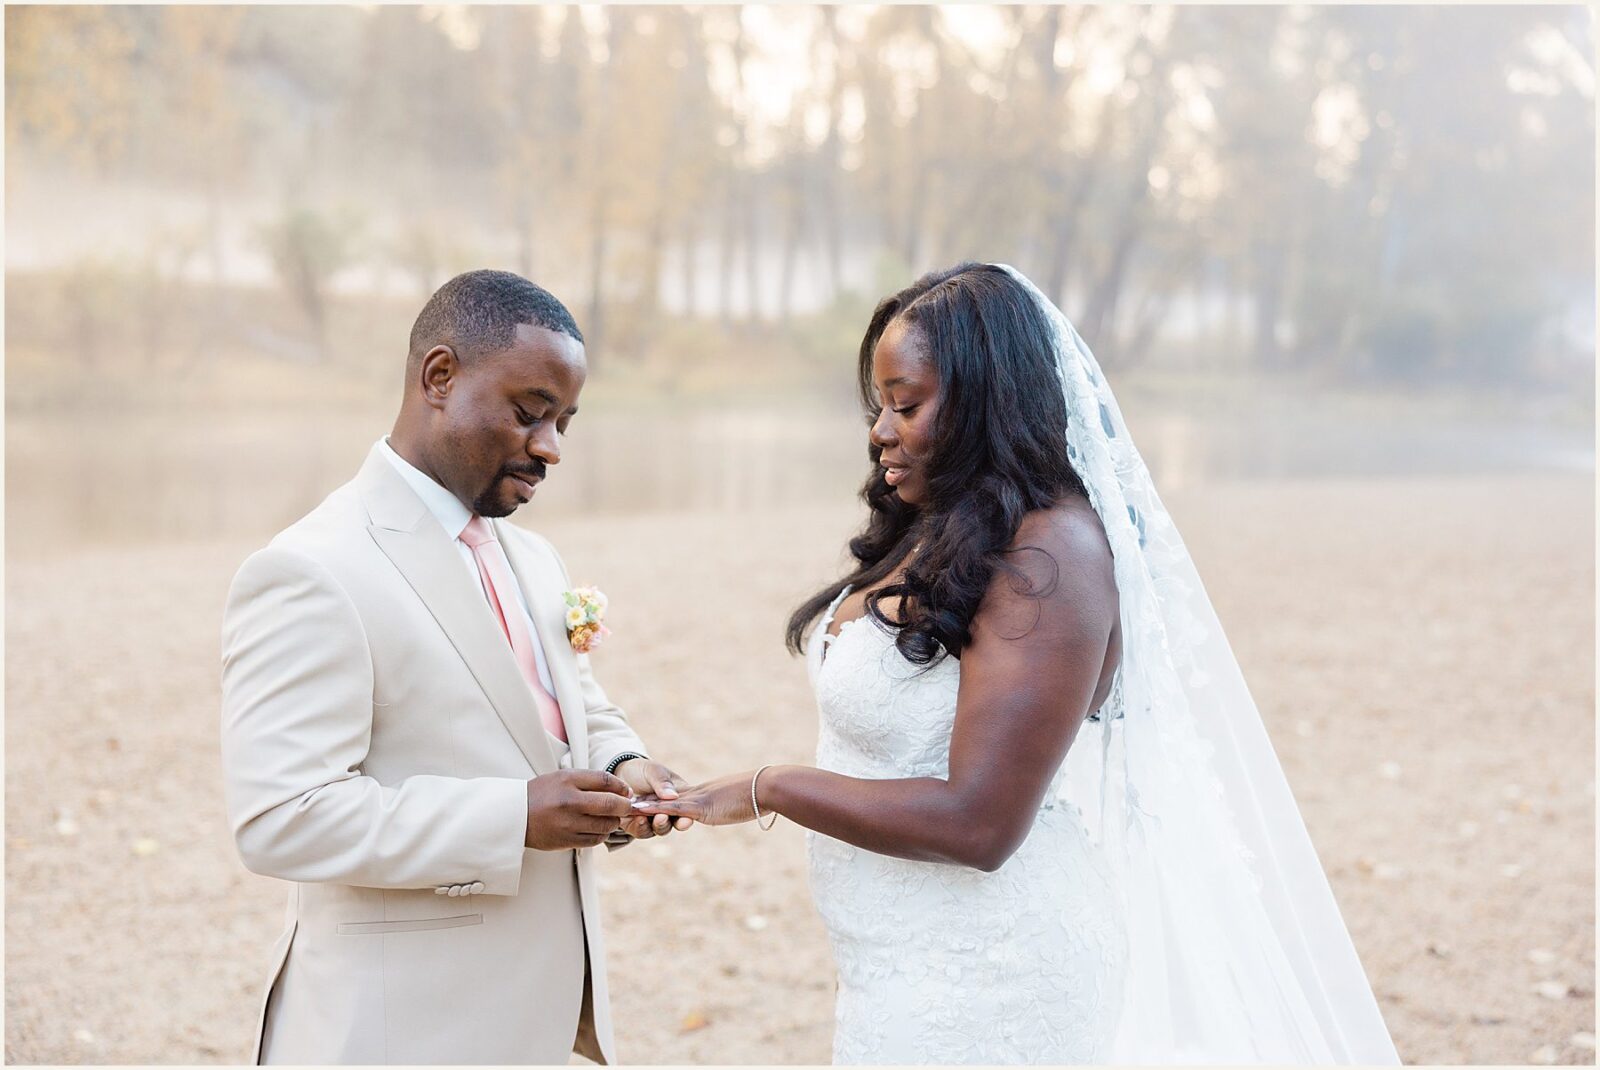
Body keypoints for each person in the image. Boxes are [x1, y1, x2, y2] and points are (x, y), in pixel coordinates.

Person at [635, 263, 1401, 1064]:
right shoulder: (942, 523)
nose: (880, 432)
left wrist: (770, 787)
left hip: (993, 975)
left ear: (985, 397)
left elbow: (981, 821)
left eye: (906, 404)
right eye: (878, 406)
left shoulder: (1051, 554)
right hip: (896, 963)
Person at [220, 269, 689, 1065]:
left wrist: (623, 764)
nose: (551, 448)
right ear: (439, 377)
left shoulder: (532, 555)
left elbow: (560, 702)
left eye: (565, 422)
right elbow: (281, 818)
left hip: (526, 1025)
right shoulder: (312, 568)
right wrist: (514, 820)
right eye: (531, 413)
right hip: (393, 1031)